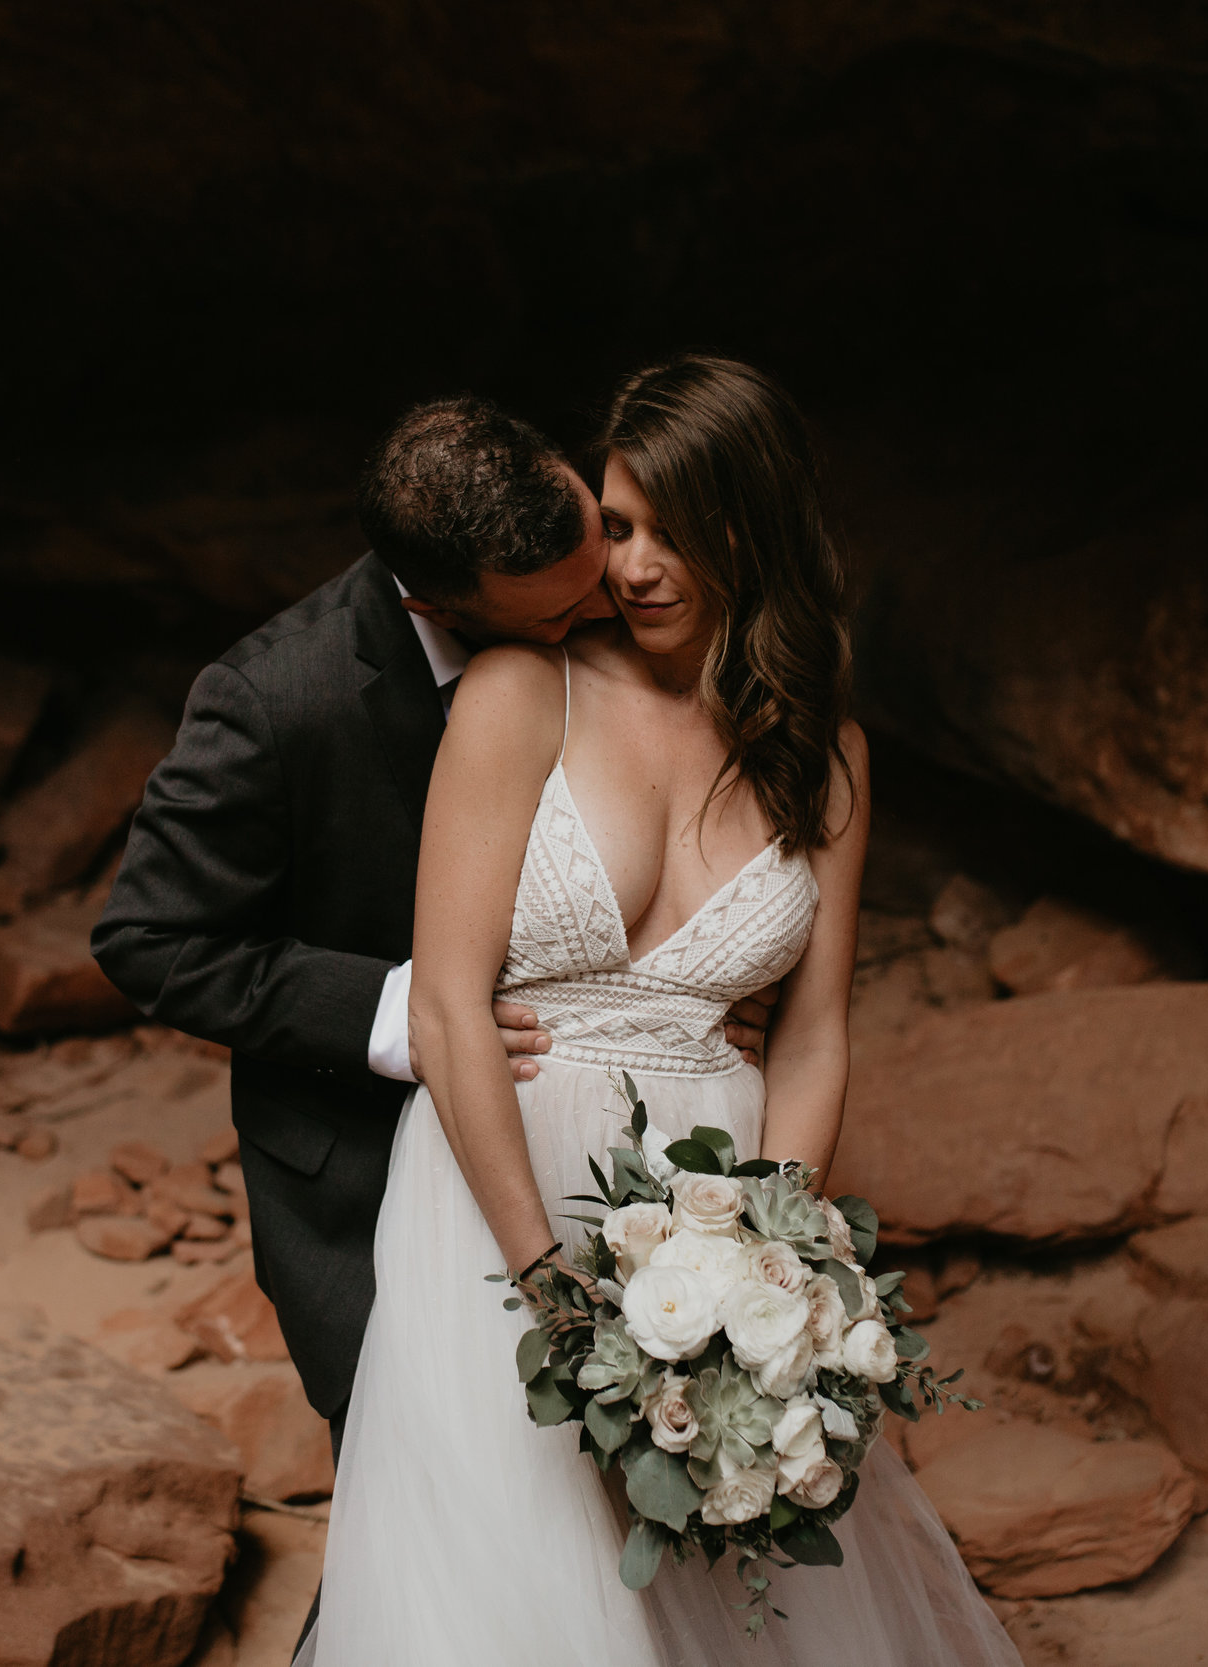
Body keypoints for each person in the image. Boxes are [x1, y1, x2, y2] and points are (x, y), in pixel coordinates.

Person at [298, 356, 1021, 1665]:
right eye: (615, 524)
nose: (629, 565)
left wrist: (767, 1256)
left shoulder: (825, 748)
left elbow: (809, 1032)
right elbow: (453, 1002)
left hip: (709, 1218)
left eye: (666, 529)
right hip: (497, 1199)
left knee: (721, 1591)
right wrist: (541, 1278)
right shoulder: (528, 684)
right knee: (523, 1603)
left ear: (752, 528)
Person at [92, 396, 772, 1448]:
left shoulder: (594, 578)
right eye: (554, 617)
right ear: (433, 606)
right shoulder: (276, 699)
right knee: (424, 1507)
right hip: (360, 1175)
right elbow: (149, 937)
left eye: (602, 548)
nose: (607, 602)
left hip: (603, 1146)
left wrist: (696, 989)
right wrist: (404, 1012)